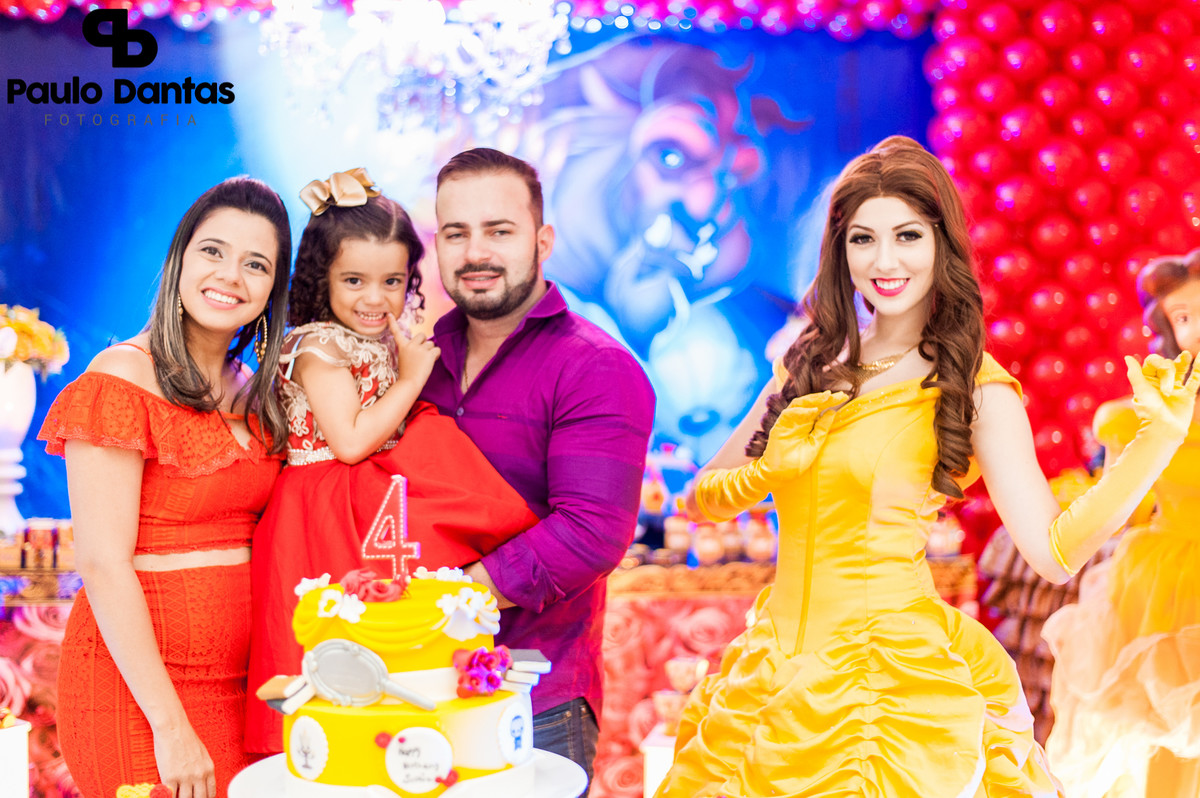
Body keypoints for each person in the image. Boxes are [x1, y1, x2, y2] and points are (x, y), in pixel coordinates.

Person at [653, 136, 1199, 798]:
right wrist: (768, 470)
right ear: (840, 249)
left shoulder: (973, 386)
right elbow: (702, 499)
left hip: (888, 685)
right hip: (773, 675)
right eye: (864, 239)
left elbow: (1054, 553)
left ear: (942, 244)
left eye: (907, 236)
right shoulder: (808, 362)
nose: (885, 261)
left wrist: (1158, 440)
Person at [244, 168, 540, 754]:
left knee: (384, 643)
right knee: (327, 641)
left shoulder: (371, 337)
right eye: (354, 280)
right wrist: (410, 379)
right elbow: (350, 442)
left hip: (364, 506)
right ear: (321, 278)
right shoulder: (316, 345)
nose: (375, 299)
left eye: (392, 281)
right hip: (320, 513)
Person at [37, 178, 291, 798]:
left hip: (246, 690)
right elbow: (101, 564)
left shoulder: (254, 388)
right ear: (180, 258)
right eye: (213, 251)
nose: (230, 275)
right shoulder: (122, 375)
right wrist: (171, 727)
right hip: (142, 699)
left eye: (255, 264)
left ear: (272, 289)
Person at [419, 148, 656, 786]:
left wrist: (443, 601)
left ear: (542, 241)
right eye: (456, 233)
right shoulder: (416, 363)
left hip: (531, 695)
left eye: (499, 231)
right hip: (408, 685)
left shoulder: (595, 367)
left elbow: (590, 533)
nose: (476, 253)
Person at [1043, 248, 1200, 797]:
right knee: (1157, 734)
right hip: (1164, 584)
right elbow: (1118, 512)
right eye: (1185, 316)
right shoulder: (1132, 419)